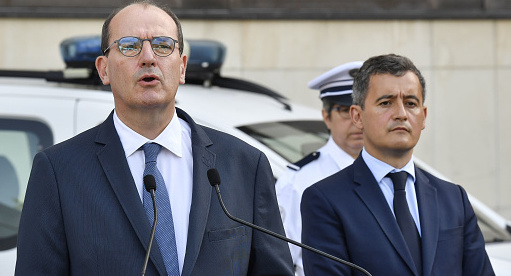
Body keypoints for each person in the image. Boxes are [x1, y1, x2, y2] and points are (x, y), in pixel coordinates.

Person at [15, 1, 293, 275]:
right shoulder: (58, 171)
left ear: (182, 66)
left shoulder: (245, 164)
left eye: (162, 45)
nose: (148, 57)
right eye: (129, 46)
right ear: (104, 69)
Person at [300, 54, 494, 276]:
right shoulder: (326, 200)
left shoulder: (453, 197)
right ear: (357, 116)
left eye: (411, 103)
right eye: (386, 103)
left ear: (423, 116)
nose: (401, 114)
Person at [275, 61, 364, 276]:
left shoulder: (391, 174)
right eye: (345, 110)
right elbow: (281, 263)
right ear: (326, 117)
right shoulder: (297, 182)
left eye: (362, 110)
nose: (356, 120)